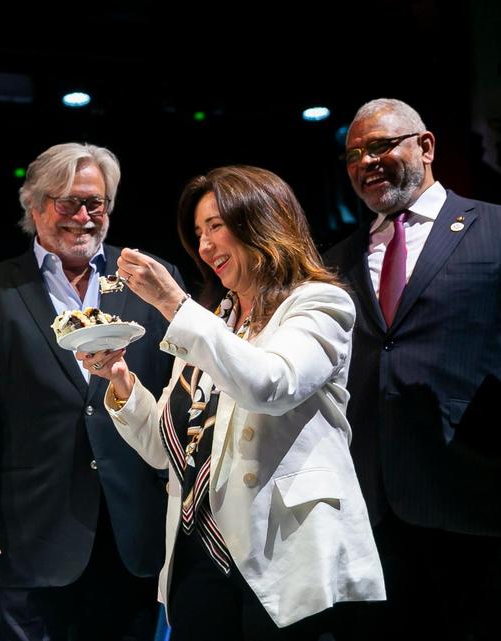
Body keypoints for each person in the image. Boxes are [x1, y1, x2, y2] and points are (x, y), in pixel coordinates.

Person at [78, 165, 385, 640]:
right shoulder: (215, 320)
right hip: (198, 552)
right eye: (198, 233)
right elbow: (166, 449)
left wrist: (176, 307)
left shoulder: (319, 303)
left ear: (262, 222)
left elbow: (270, 385)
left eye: (216, 227)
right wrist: (119, 379)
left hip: (282, 553)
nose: (204, 247)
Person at [0, 142, 183, 640]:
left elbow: (177, 395)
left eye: (96, 203)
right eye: (68, 202)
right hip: (29, 533)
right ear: (34, 205)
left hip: (132, 529)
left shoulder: (150, 281)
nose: (84, 216)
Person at [324, 98, 501, 641]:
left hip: (477, 492)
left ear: (425, 147)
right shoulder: (334, 262)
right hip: (369, 508)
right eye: (354, 154)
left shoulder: (494, 229)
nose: (365, 162)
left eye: (380, 146)